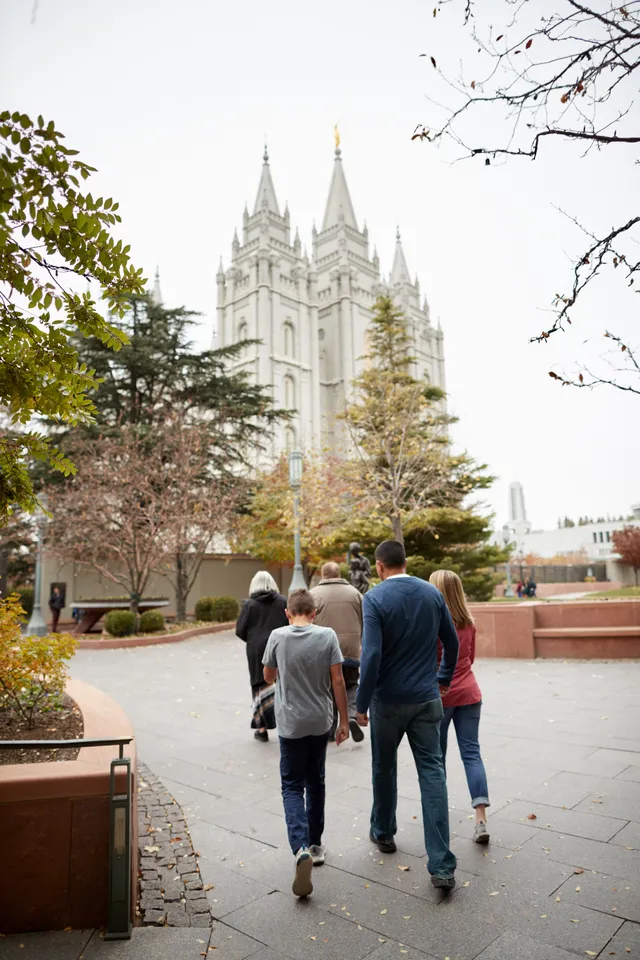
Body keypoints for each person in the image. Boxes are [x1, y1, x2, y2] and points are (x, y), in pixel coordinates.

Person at [356, 539, 459, 890]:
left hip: (387, 701)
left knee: (383, 768)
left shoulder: (374, 599)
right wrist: (443, 678)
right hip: (427, 698)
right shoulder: (431, 594)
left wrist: (360, 703)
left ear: (379, 566)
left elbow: (370, 656)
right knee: (433, 774)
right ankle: (442, 865)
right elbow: (452, 641)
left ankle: (383, 832)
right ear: (405, 561)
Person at [263, 588, 349, 898]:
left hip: (290, 724)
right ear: (314, 613)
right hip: (319, 721)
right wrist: (343, 721)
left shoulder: (278, 636)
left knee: (291, 786)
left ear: (288, 612)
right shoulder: (327, 636)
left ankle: (299, 847)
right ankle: (316, 844)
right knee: (316, 782)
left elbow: (269, 676)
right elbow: (338, 680)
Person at [429, 570, 491, 845]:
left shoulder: (431, 625)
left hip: (440, 698)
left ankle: (439, 819)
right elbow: (471, 658)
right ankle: (480, 819)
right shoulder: (469, 624)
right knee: (471, 754)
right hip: (469, 693)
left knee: (436, 759)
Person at [311, 561, 364, 744]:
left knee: (328, 686)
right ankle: (350, 716)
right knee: (350, 683)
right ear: (339, 574)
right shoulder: (355, 594)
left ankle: (332, 726)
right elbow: (364, 619)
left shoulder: (314, 595)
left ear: (323, 575)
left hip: (324, 649)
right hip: (351, 647)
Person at [235, 571, 288, 742]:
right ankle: (285, 724)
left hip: (256, 650)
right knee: (282, 684)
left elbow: (240, 630)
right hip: (280, 647)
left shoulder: (249, 605)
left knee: (259, 685)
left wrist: (253, 640)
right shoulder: (282, 602)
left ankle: (262, 728)